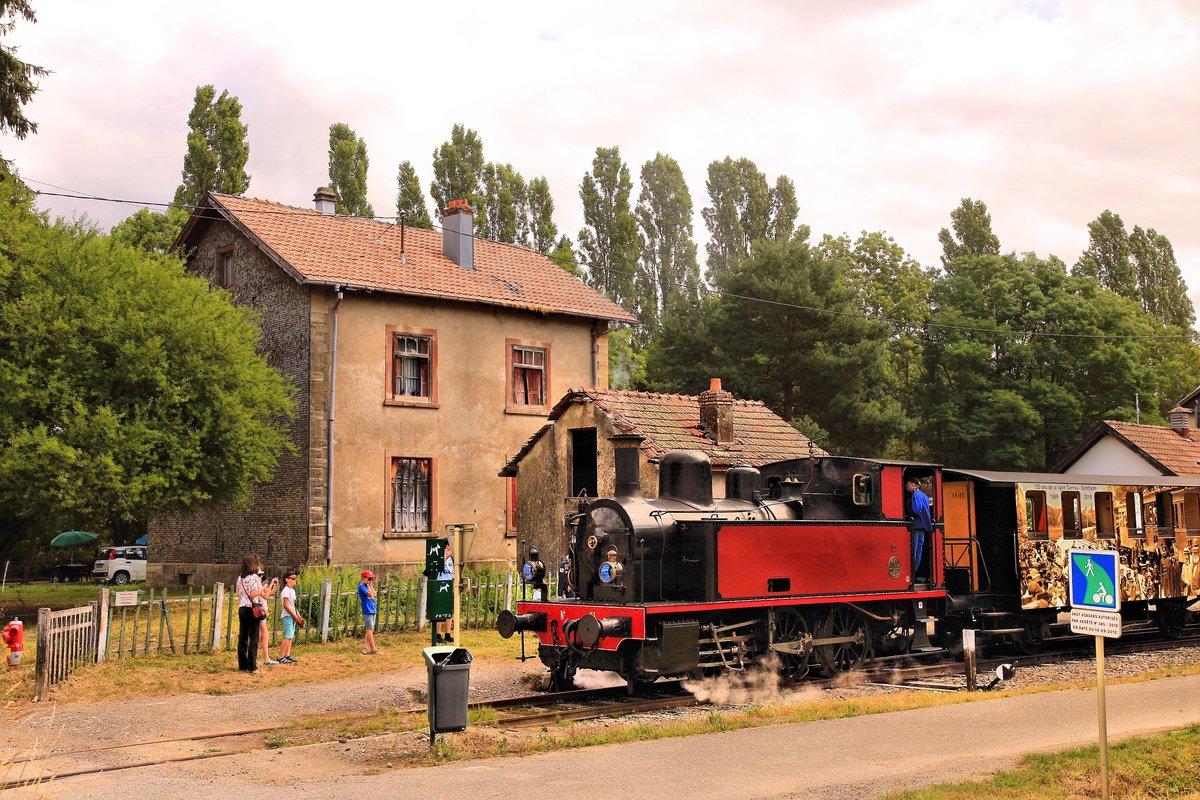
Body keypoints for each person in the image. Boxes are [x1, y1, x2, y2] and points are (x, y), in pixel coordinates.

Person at [236, 554, 274, 673]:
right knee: (254, 637)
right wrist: (264, 587)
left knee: (243, 637)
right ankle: (252, 667)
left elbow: (238, 593)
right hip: (252, 609)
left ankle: (242, 665)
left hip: (242, 608)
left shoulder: (240, 578)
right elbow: (254, 594)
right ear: (253, 564)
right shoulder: (253, 577)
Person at [906, 477, 932, 583]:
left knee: (914, 552)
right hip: (923, 526)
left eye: (907, 484)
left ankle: (911, 575)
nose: (905, 486)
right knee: (918, 552)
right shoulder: (924, 496)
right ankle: (914, 574)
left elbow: (916, 510)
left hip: (916, 525)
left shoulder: (915, 495)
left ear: (913, 484)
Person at [277, 570, 304, 664]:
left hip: (292, 615)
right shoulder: (286, 590)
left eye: (295, 578)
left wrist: (298, 615)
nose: (295, 580)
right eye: (293, 578)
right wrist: (294, 615)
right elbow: (285, 605)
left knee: (290, 636)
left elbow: (293, 605)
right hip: (288, 616)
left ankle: (287, 655)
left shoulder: (292, 591)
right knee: (288, 636)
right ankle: (280, 656)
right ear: (287, 580)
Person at [258, 568, 279, 666]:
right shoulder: (259, 587)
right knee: (265, 635)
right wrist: (270, 585)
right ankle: (266, 658)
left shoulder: (260, 588)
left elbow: (271, 593)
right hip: (260, 613)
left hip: (262, 613)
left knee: (261, 636)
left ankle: (253, 655)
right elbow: (266, 595)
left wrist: (275, 585)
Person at [358, 569, 381, 655]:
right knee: (369, 629)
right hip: (367, 610)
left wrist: (370, 585)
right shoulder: (361, 586)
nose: (370, 580)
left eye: (371, 579)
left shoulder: (368, 586)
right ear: (363, 578)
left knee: (370, 630)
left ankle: (365, 647)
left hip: (373, 609)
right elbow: (370, 595)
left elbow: (375, 594)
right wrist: (368, 586)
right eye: (369, 578)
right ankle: (373, 649)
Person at [436, 545, 455, 643]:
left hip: (449, 584)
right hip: (439, 584)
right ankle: (438, 634)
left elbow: (453, 571)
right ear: (447, 545)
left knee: (449, 611)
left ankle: (447, 634)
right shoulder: (439, 556)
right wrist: (445, 557)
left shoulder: (452, 558)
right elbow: (436, 568)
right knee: (439, 611)